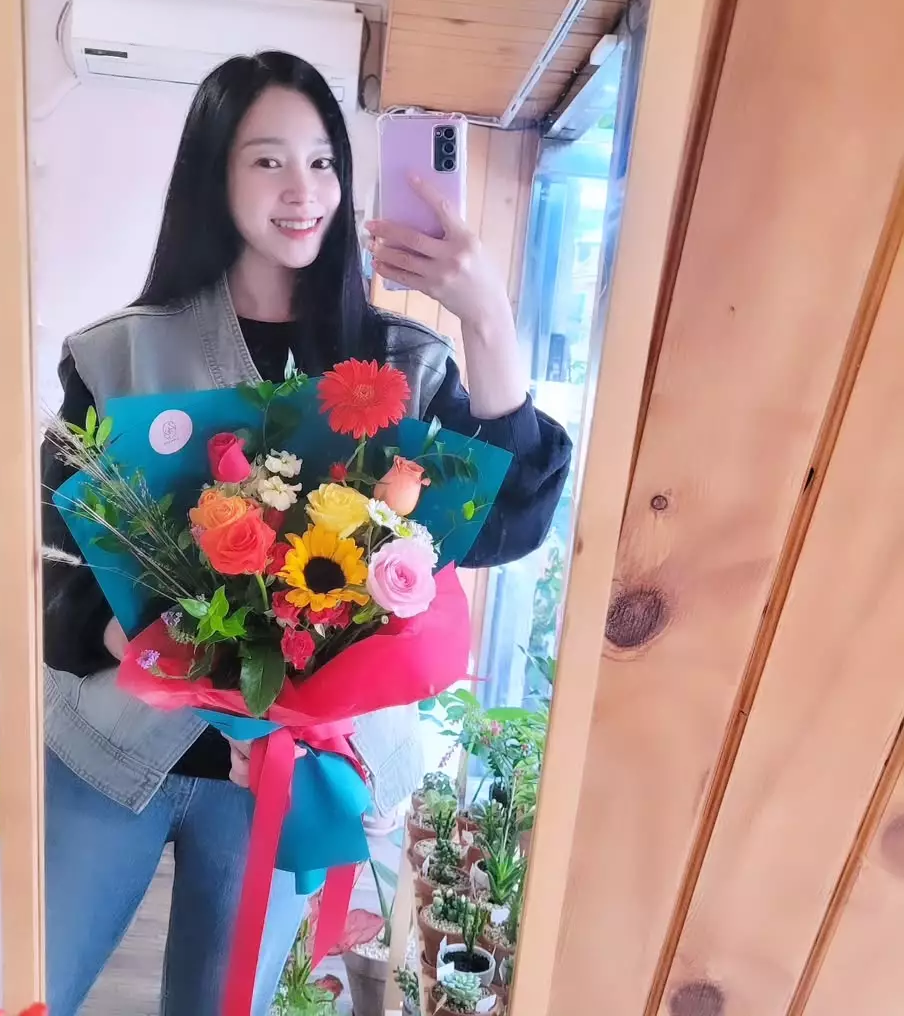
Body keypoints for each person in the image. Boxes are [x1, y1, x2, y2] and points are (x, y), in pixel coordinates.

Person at [40, 51, 572, 1016]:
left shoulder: (404, 365)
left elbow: (501, 526)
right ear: (214, 175)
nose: (303, 190)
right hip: (113, 748)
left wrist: (488, 319)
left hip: (294, 779)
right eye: (268, 160)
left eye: (324, 161)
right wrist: (140, 643)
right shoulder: (120, 354)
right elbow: (46, 555)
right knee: (24, 987)